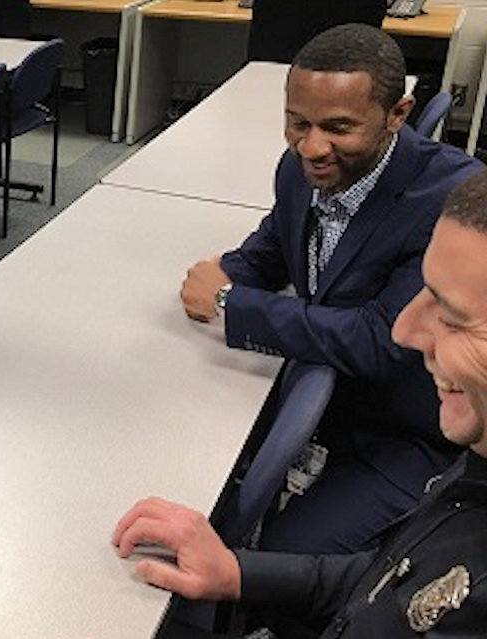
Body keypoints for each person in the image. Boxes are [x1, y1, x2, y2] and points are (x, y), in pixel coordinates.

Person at [117, 169, 487, 639]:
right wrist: (236, 573)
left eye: (452, 318)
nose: (404, 331)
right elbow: (391, 578)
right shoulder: (474, 467)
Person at [179, 24, 482, 554]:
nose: (312, 146)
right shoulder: (300, 168)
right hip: (322, 395)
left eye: (339, 127)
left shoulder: (448, 201)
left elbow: (381, 341)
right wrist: (231, 271)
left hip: (405, 431)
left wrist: (232, 303)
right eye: (298, 123)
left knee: (280, 553)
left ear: (398, 115)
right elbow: (276, 243)